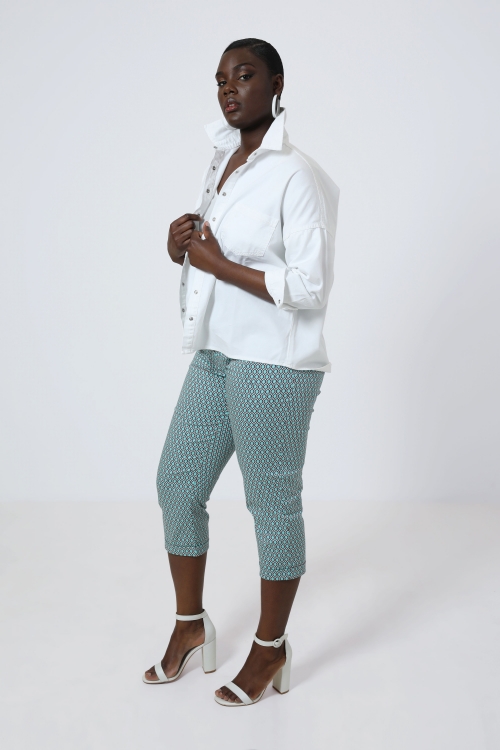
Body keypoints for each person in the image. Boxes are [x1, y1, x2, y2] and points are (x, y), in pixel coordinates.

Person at [143, 38, 339, 706]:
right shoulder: (224, 159)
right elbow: (215, 256)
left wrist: (218, 263)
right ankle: (190, 626)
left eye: (245, 75)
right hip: (215, 352)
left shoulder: (297, 174)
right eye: (221, 79)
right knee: (177, 484)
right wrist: (182, 249)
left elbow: (309, 285)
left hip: (274, 362)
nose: (229, 88)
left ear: (276, 83)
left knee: (270, 505)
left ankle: (270, 646)